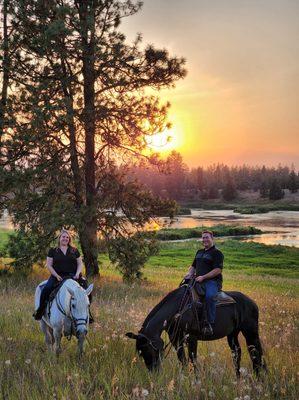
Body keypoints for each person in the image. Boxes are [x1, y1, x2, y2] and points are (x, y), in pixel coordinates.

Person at [33, 229, 92, 321]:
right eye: (63, 237)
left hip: (73, 276)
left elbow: (80, 264)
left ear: (69, 239)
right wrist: (56, 275)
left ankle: (87, 313)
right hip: (58, 276)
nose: (65, 239)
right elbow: (49, 265)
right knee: (46, 288)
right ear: (59, 238)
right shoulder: (53, 250)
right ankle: (40, 311)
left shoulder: (74, 250)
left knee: (87, 290)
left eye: (67, 237)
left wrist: (77, 274)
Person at [184, 230, 224, 336]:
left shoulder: (217, 253)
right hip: (198, 280)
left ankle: (209, 324)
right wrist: (189, 274)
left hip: (212, 282)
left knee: (210, 297)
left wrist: (203, 277)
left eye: (207, 237)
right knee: (184, 292)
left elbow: (218, 270)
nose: (205, 240)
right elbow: (193, 266)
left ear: (212, 238)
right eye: (203, 238)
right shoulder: (199, 252)